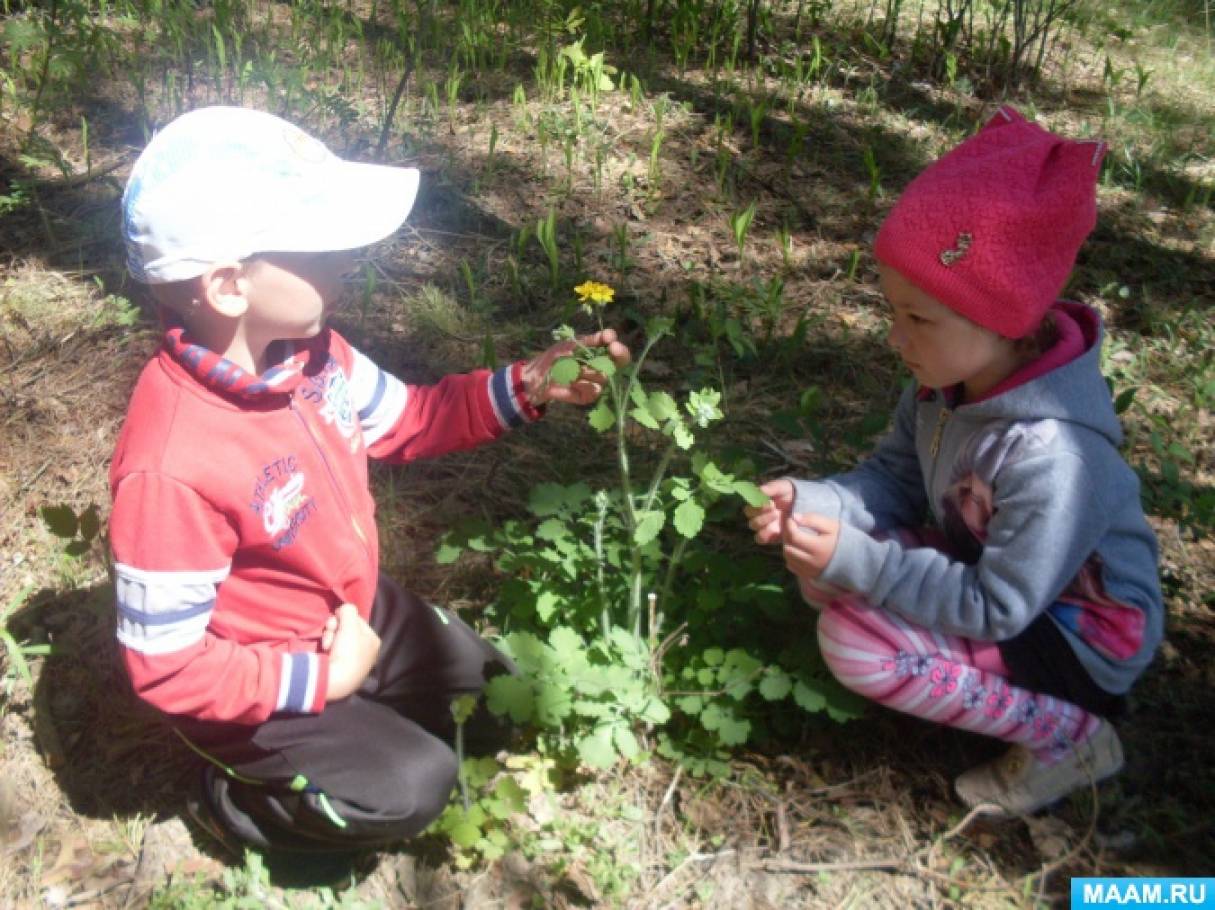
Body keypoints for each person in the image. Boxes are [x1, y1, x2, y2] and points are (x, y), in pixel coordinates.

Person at [111, 106, 630, 853]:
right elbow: (167, 668)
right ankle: (231, 803)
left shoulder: (314, 356)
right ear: (228, 286)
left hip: (342, 608)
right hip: (255, 677)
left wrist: (530, 385)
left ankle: (364, 708)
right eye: (322, 243)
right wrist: (319, 681)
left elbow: (412, 418)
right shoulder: (172, 465)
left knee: (497, 694)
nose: (350, 254)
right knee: (411, 787)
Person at [746, 107, 1162, 817]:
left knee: (850, 635)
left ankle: (1072, 741)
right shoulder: (943, 388)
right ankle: (949, 682)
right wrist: (817, 503)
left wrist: (867, 565)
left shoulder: (1055, 455)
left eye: (918, 319)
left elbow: (998, 606)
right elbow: (895, 481)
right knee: (825, 571)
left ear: (1005, 320)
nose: (893, 337)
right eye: (891, 310)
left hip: (1070, 638)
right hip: (999, 580)